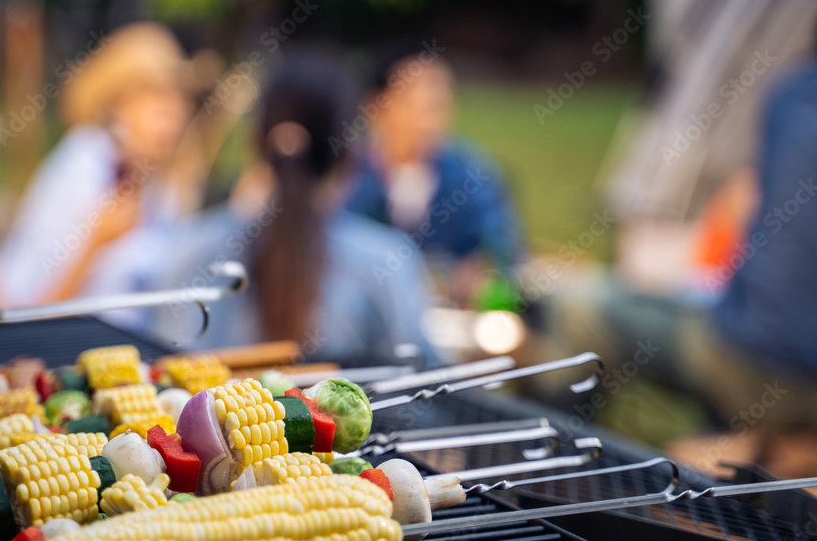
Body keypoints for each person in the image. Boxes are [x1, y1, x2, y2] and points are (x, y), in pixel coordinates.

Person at [543, 56, 817, 435]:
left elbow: (742, 207)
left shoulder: (793, 97)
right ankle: (725, 450)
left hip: (758, 364)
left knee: (574, 306)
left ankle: (550, 475)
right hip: (782, 363)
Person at [142, 50, 441, 365]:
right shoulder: (387, 262)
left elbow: (163, 375)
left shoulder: (191, 248)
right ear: (349, 153)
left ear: (255, 144)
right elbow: (424, 387)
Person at [0, 22, 213, 305]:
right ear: (116, 106)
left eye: (177, 98)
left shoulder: (164, 183)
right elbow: (33, 308)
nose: (170, 115)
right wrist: (95, 244)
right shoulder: (84, 163)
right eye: (154, 97)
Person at [346, 39, 525, 306]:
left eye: (440, 101)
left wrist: (484, 268)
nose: (433, 113)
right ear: (379, 106)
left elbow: (501, 245)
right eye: (420, 101)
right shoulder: (348, 176)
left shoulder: (473, 173)